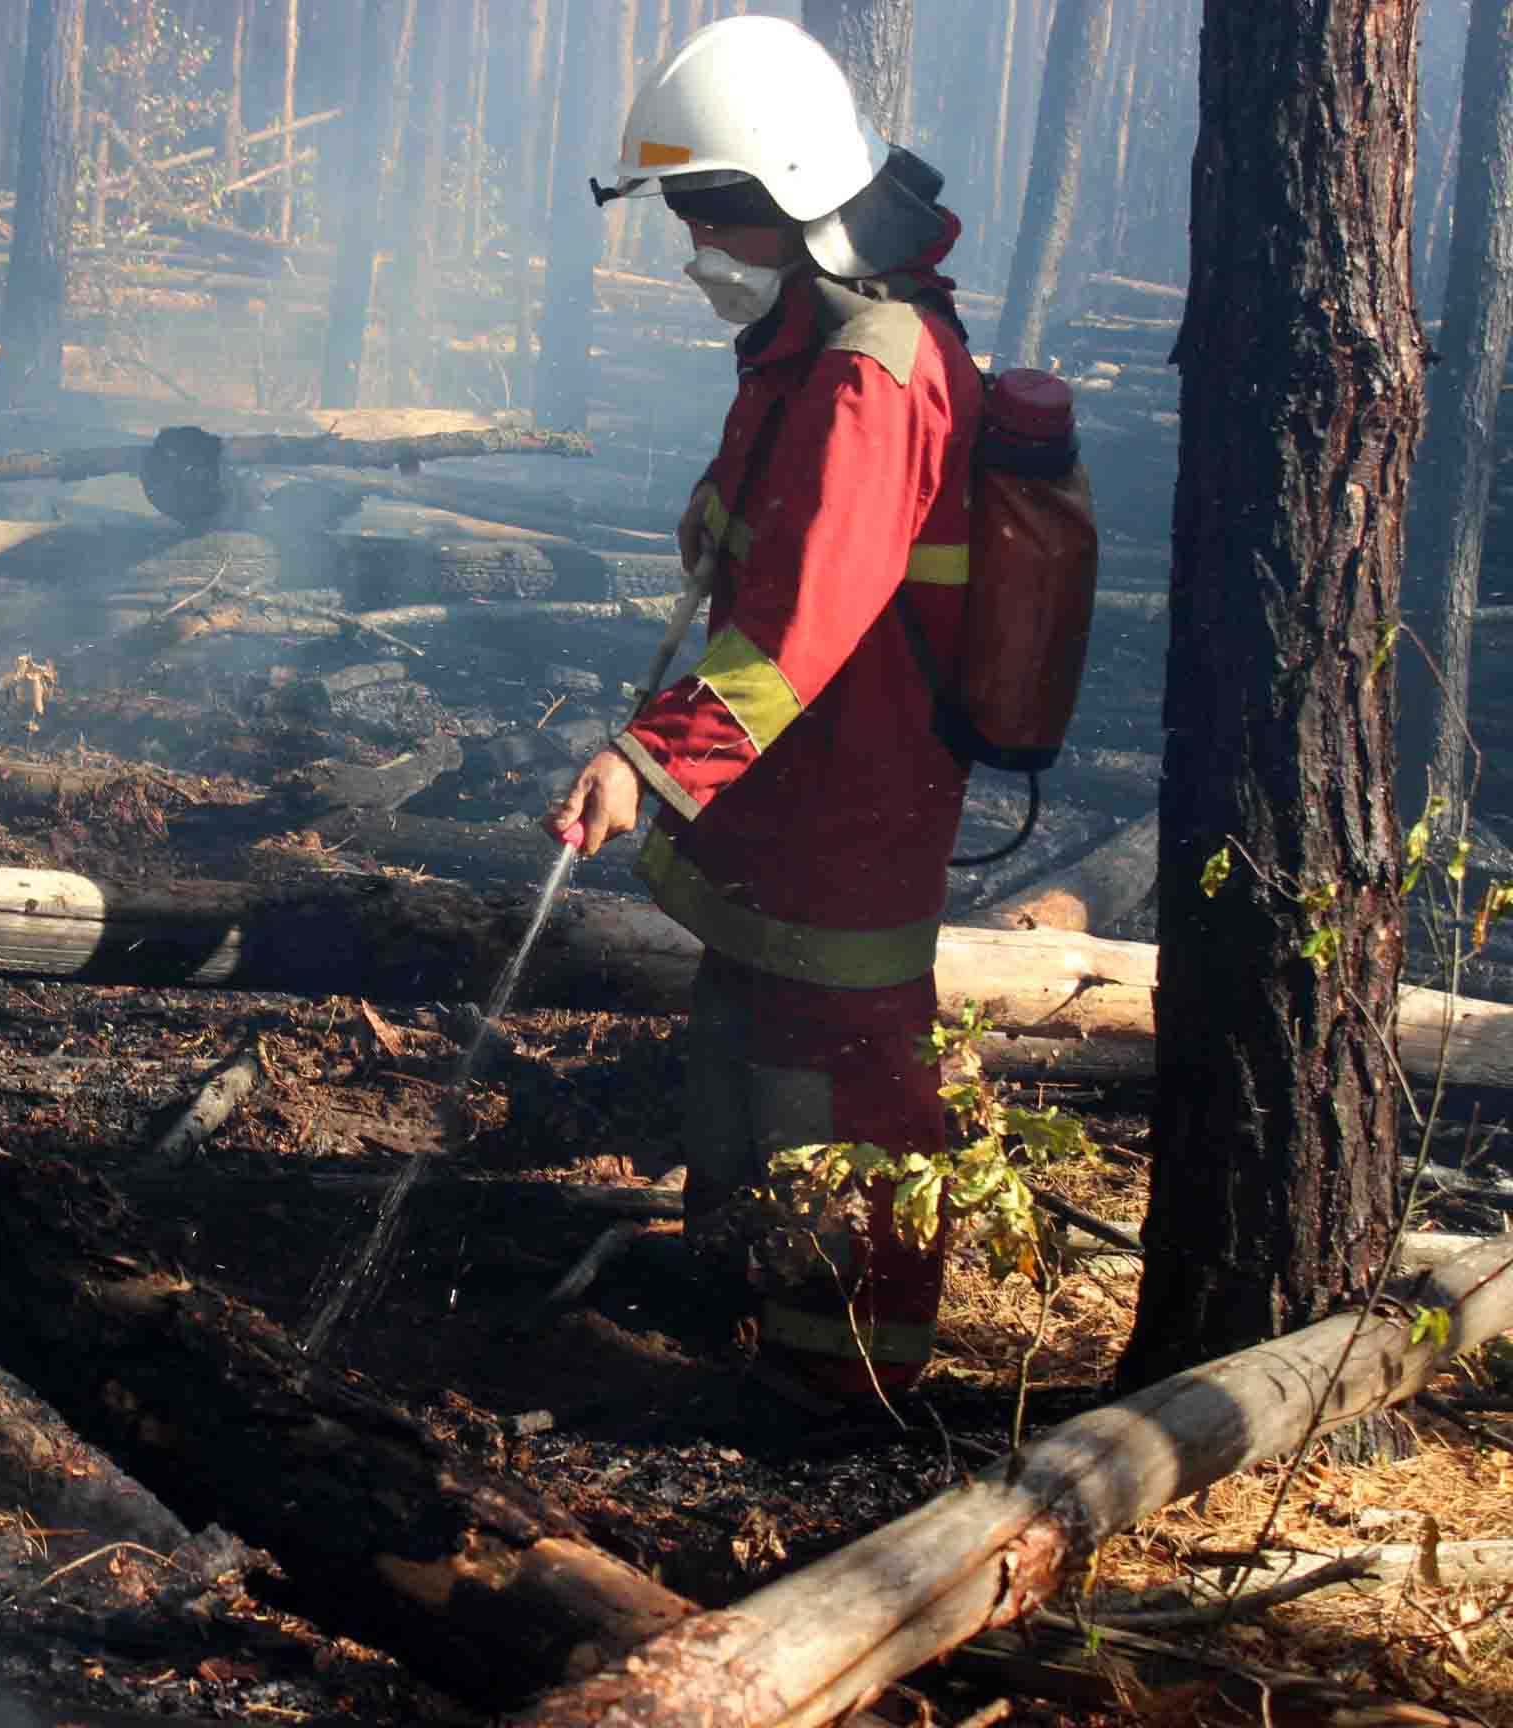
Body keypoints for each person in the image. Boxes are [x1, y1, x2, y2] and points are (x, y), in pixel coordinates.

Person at [547, 16, 984, 1409]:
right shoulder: (813, 328)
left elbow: (800, 632)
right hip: (783, 791)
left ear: (787, 198)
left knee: (836, 1080)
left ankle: (844, 1390)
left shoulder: (872, 366)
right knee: (743, 1032)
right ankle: (740, 1292)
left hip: (846, 785)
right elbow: (774, 526)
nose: (697, 247)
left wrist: (645, 762)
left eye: (709, 215)